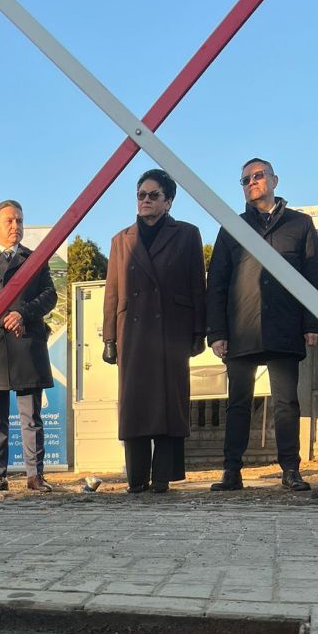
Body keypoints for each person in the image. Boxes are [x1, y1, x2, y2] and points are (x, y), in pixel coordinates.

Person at [206, 158, 318, 491]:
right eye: (245, 180)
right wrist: (217, 332)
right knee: (238, 404)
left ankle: (291, 470)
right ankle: (232, 471)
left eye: (258, 176)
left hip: (285, 325)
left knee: (286, 403)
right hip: (241, 327)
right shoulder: (232, 226)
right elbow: (217, 282)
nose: (252, 183)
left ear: (274, 180)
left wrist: (313, 322)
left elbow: (315, 276)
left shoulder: (300, 224)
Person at [102, 169, 206, 493]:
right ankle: (136, 479)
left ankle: (162, 477)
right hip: (132, 333)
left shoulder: (187, 234)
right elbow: (112, 291)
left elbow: (198, 286)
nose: (145, 200)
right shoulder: (121, 240)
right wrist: (109, 338)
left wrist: (199, 333)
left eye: (153, 195)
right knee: (134, 405)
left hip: (172, 330)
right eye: (141, 195)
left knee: (170, 403)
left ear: (168, 201)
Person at [0, 200, 58, 492]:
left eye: (19, 220)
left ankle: (35, 476)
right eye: (9, 221)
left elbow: (49, 295)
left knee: (31, 417)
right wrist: (4, 318)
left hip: (28, 343)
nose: (16, 226)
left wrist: (23, 314)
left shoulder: (35, 259)